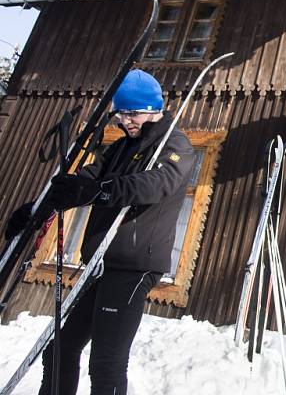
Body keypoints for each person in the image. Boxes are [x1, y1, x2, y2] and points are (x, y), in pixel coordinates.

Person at [4, 69, 194, 395]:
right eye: (121, 113)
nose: (125, 120)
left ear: (153, 108)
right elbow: (86, 182)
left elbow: (154, 185)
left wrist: (97, 192)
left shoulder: (175, 145)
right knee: (60, 348)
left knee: (106, 363)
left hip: (133, 266)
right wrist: (39, 208)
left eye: (132, 113)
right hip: (101, 264)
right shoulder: (120, 147)